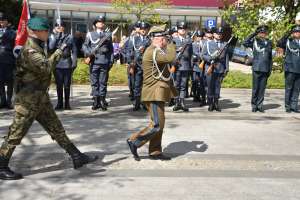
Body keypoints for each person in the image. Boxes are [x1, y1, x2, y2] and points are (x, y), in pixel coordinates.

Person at [0, 17, 98, 180]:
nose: (47, 33)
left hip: (40, 98)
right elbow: (45, 67)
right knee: (16, 133)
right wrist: (60, 50)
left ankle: (76, 156)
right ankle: (1, 166)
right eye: (45, 31)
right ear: (36, 32)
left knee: (56, 128)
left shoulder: (38, 46)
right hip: (28, 100)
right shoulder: (30, 50)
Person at [127, 24, 176, 161]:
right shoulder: (153, 51)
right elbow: (171, 58)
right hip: (153, 93)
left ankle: (155, 151)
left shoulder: (157, 51)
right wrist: (171, 43)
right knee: (156, 124)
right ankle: (134, 141)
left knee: (160, 123)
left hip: (157, 92)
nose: (166, 40)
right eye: (165, 38)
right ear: (159, 39)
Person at [82, 15, 114, 111]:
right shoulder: (90, 34)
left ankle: (102, 100)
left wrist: (111, 61)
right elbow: (85, 45)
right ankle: (96, 101)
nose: (101, 23)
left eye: (102, 22)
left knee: (103, 82)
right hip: (94, 61)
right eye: (99, 22)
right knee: (94, 82)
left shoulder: (108, 35)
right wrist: (88, 53)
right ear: (95, 24)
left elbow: (111, 50)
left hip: (104, 60)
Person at [48, 19, 77, 110]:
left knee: (67, 84)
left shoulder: (69, 37)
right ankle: (59, 103)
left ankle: (67, 103)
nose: (59, 27)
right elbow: (51, 47)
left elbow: (75, 50)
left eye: (60, 26)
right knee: (59, 84)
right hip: (57, 63)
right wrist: (56, 36)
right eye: (57, 26)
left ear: (64, 27)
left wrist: (74, 62)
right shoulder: (52, 37)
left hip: (67, 62)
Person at [243, 25, 273, 112]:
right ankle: (254, 105)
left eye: (264, 33)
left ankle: (260, 106)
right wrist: (254, 34)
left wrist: (270, 69)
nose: (262, 34)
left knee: (262, 89)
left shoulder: (269, 43)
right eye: (261, 32)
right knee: (255, 88)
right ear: (258, 33)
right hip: (256, 68)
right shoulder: (254, 41)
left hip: (265, 68)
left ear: (266, 34)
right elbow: (245, 42)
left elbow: (270, 57)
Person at [201, 27, 229, 112]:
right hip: (211, 68)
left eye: (220, 34)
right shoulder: (208, 43)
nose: (219, 35)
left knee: (217, 87)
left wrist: (226, 68)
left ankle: (216, 103)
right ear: (213, 34)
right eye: (217, 33)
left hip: (220, 68)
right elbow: (203, 55)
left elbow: (227, 57)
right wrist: (210, 59)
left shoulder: (225, 44)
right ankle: (210, 104)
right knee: (210, 87)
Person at [127, 21, 151, 111]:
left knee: (146, 85)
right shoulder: (133, 39)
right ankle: (137, 102)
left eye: (145, 29)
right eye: (141, 29)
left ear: (148, 30)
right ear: (139, 30)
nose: (143, 30)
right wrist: (131, 62)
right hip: (136, 65)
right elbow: (129, 51)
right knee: (136, 85)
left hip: (147, 66)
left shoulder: (150, 40)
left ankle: (144, 103)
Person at [277, 25, 300, 113]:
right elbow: (279, 43)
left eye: (298, 32)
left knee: (297, 89)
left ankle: (294, 106)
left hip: (299, 69)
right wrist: (288, 33)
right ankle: (288, 106)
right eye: (295, 32)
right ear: (293, 33)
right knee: (289, 88)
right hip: (290, 68)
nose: (297, 33)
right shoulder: (288, 41)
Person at [172, 21, 193, 112]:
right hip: (176, 65)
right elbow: (170, 53)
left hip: (185, 65)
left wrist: (191, 66)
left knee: (184, 85)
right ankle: (177, 102)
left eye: (184, 28)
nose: (182, 30)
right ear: (178, 29)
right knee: (176, 85)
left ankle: (182, 102)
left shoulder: (189, 40)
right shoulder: (173, 40)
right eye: (180, 28)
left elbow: (191, 54)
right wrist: (177, 50)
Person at [0, 12, 16, 109]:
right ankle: (3, 100)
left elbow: (14, 43)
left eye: (3, 20)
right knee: (0, 81)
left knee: (10, 81)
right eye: (0, 20)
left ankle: (9, 101)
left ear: (7, 22)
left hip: (9, 59)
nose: (1, 22)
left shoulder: (12, 32)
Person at [192, 30, 206, 106]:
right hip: (195, 65)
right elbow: (194, 53)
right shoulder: (193, 44)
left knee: (202, 82)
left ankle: (200, 96)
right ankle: (195, 96)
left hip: (202, 66)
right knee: (195, 82)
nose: (199, 38)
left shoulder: (204, 43)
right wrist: (201, 55)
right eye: (198, 36)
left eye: (200, 37)